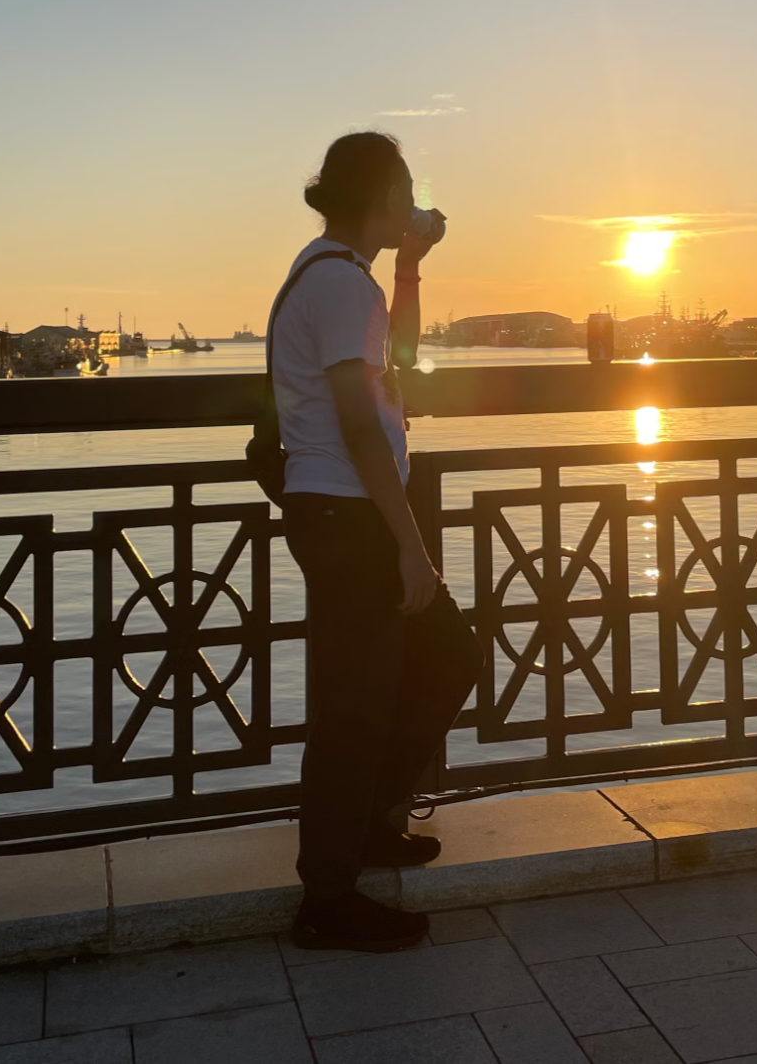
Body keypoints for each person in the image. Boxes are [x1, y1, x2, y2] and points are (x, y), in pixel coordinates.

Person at [273, 131, 479, 952]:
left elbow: (398, 361)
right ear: (384, 197)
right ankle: (325, 899)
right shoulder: (334, 285)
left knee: (443, 659)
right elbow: (360, 425)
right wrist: (410, 544)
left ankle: (364, 829)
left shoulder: (341, 277)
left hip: (344, 511)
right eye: (406, 190)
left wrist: (410, 266)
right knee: (351, 709)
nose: (414, 203)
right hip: (347, 515)